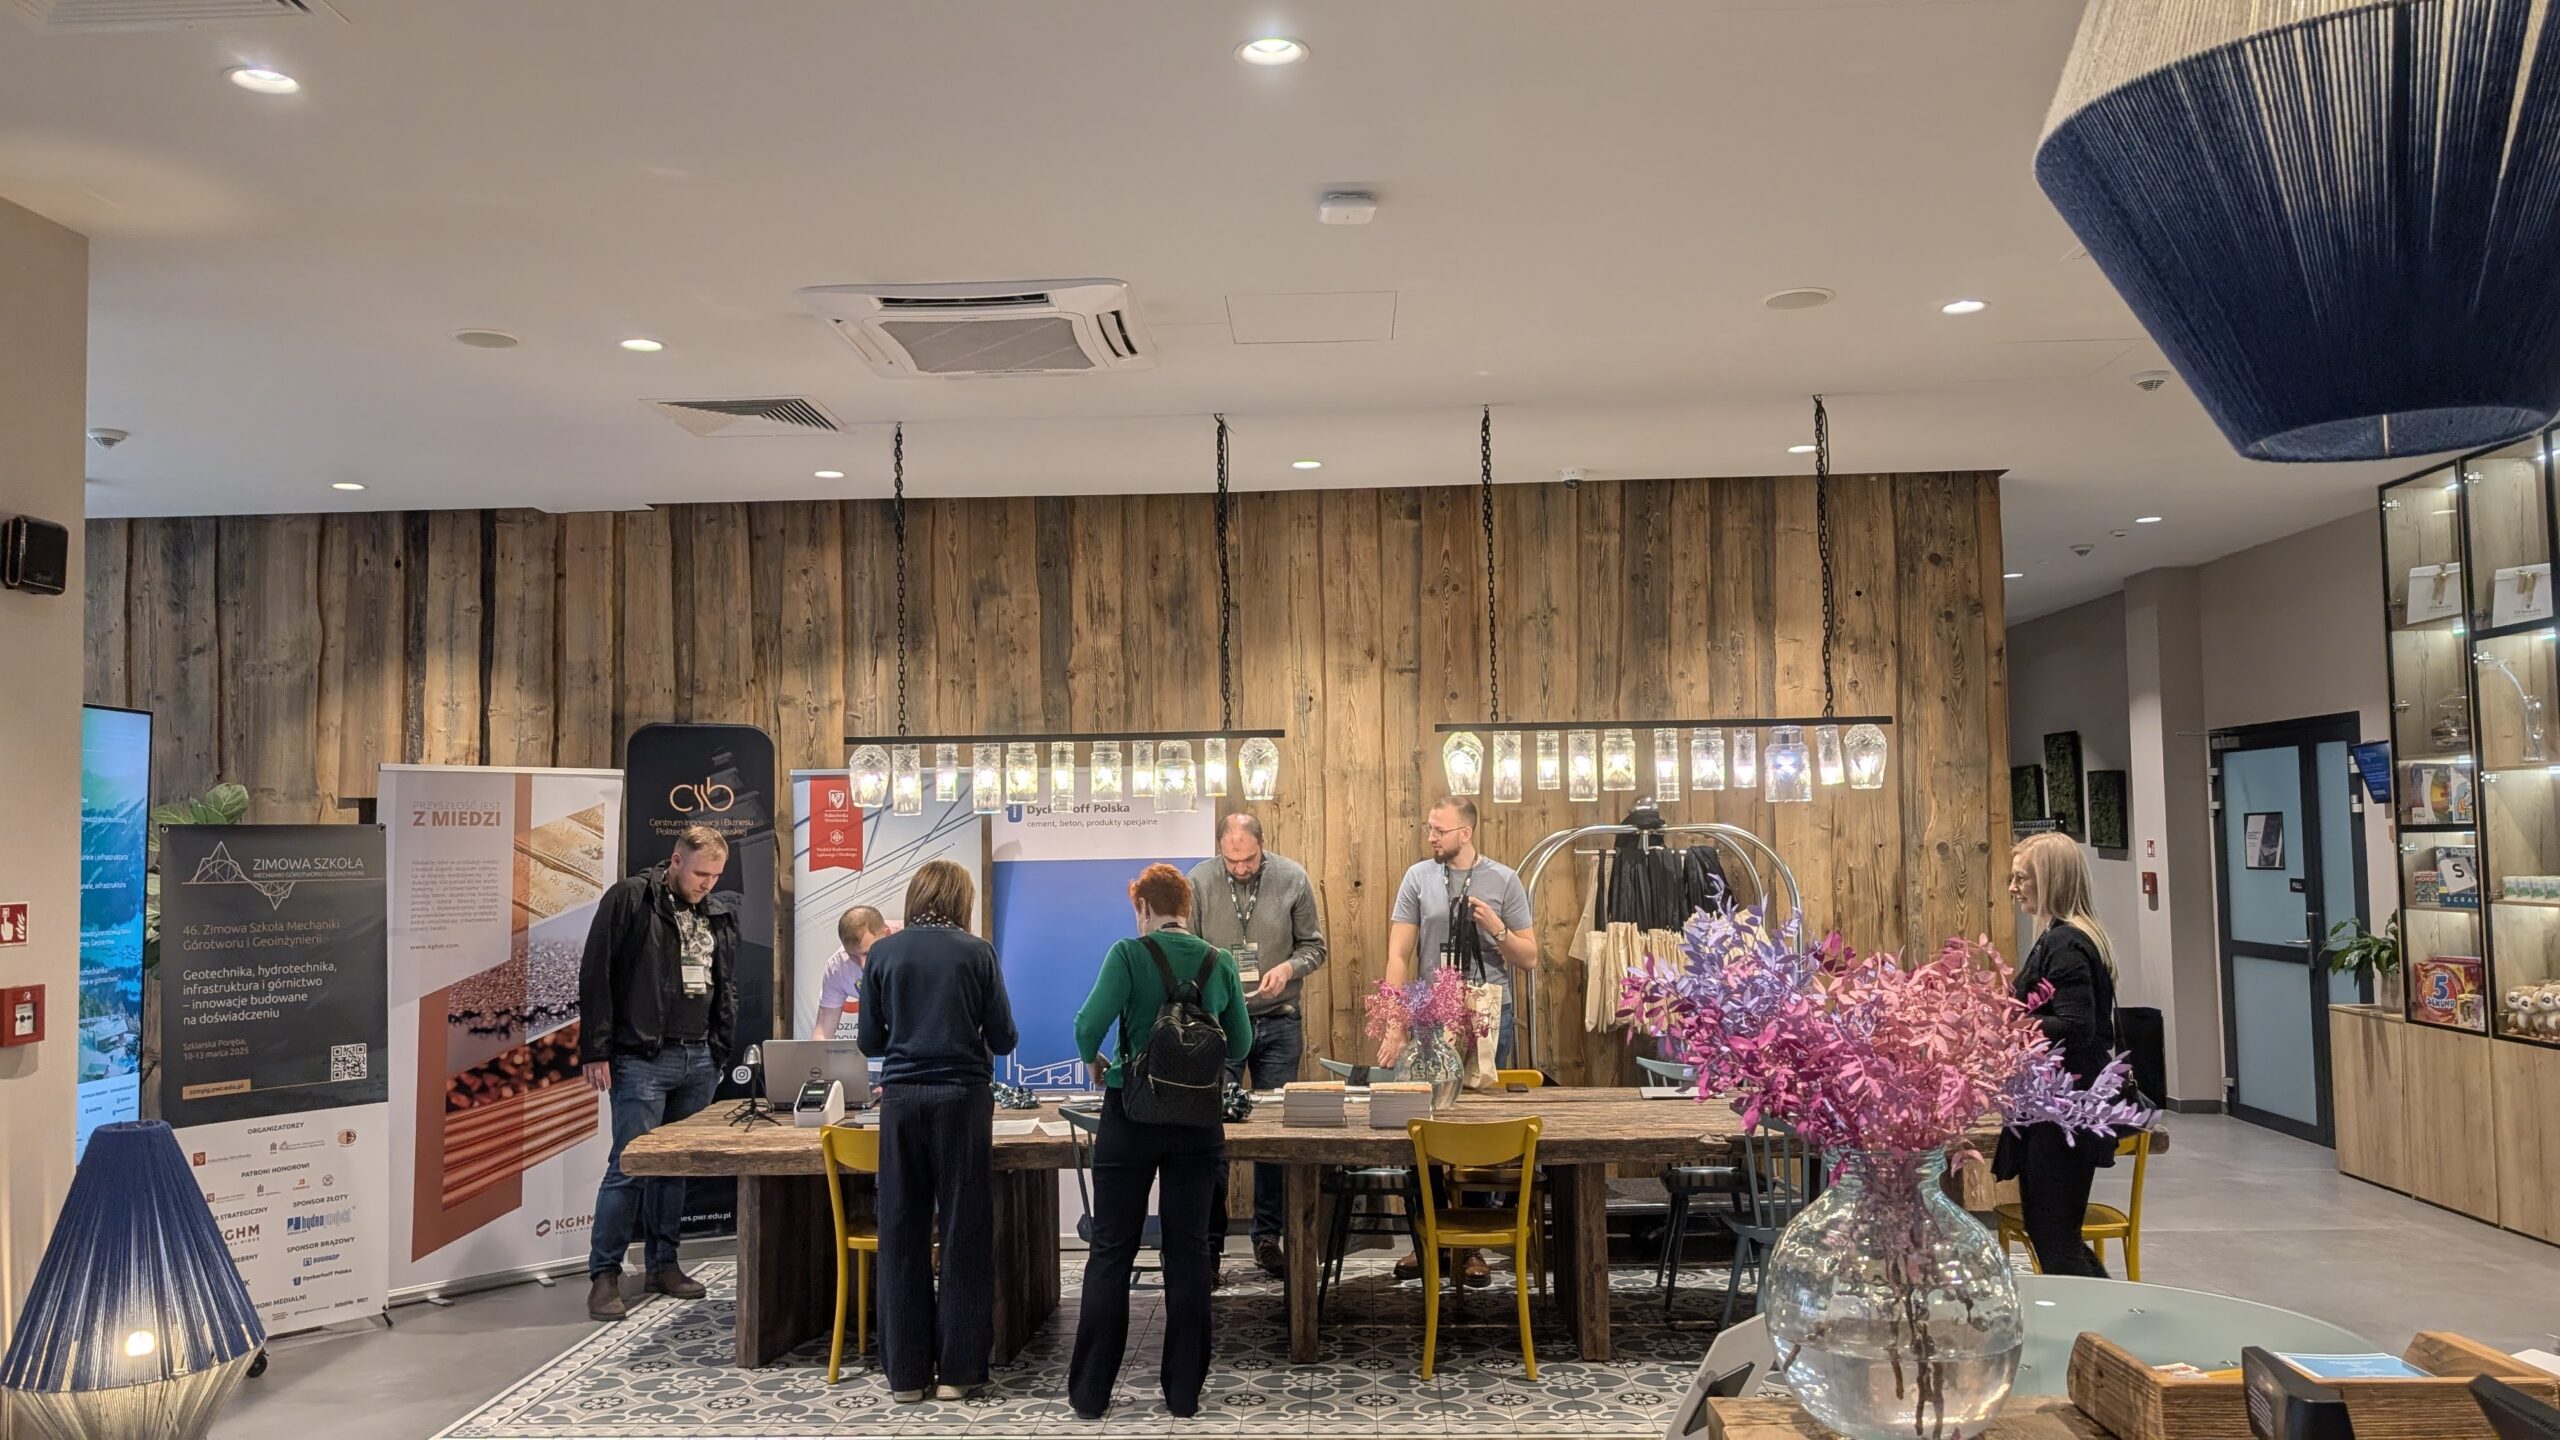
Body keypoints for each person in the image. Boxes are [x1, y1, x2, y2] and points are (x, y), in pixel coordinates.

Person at [1067, 864, 1252, 1422]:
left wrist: (1096, 1062)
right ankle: (1183, 1394)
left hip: (1130, 1114)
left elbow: (1087, 1025)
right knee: (1189, 1251)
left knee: (1111, 1250)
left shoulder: (1128, 954)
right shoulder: (1218, 961)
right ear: (1186, 908)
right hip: (1198, 1121)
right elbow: (1240, 1043)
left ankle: (1091, 1393)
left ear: (1144, 907)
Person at [857, 860, 1018, 1403]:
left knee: (901, 1232)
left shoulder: (883, 953)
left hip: (901, 1101)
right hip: (962, 1101)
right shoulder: (977, 953)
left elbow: (869, 1042)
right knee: (962, 1231)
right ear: (960, 900)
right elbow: (1004, 1037)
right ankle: (959, 1371)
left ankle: (905, 1376)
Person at [577, 825, 737, 1323]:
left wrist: (719, 1047)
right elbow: (596, 972)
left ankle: (663, 1265)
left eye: (716, 875)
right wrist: (595, 1049)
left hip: (699, 1058)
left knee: (675, 1167)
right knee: (628, 1167)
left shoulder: (716, 911)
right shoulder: (631, 898)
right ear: (676, 860)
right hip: (641, 1057)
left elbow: (724, 982)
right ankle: (605, 1275)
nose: (707, 883)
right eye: (701, 873)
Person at [1380, 795, 1537, 1287]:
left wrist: (1497, 929)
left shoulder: (1505, 880)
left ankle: (1473, 1246)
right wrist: (1394, 1020)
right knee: (1422, 1126)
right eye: (1428, 827)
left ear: (1465, 833)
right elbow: (1399, 953)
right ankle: (1426, 1239)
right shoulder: (1417, 878)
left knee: (1478, 1126)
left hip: (1488, 1015)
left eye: (1439, 830)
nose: (1431, 836)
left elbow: (1529, 957)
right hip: (1431, 1015)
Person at [1187, 814, 1325, 1283]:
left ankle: (1268, 1239)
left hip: (1279, 1021)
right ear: (1220, 849)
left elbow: (1314, 948)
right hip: (1219, 1025)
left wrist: (1289, 968)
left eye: (1248, 859)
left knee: (1275, 1132)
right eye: (1232, 860)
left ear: (1262, 845)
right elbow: (1186, 949)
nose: (1241, 868)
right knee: (1212, 1133)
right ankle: (1209, 1247)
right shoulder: (1199, 882)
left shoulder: (1292, 878)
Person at [1994, 831, 2122, 1278]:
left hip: (2063, 1108)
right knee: (2057, 1237)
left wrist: (2006, 1023)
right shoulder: (2066, 937)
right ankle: (2103, 1314)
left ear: (2051, 880)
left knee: (2056, 1241)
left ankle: (2100, 1318)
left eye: (2022, 878)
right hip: (2061, 1106)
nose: (2014, 888)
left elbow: (2075, 1027)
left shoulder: (2066, 943)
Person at [814, 904, 889, 1038]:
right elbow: (823, 1032)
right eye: (853, 956)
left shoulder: (912, 944)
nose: (863, 965)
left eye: (867, 953)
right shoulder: (838, 967)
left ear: (887, 934)